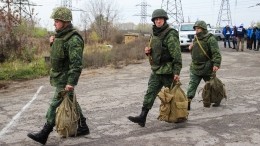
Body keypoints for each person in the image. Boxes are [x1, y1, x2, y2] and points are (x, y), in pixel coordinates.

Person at [27, 7, 89, 145]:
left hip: (65, 79)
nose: (54, 23)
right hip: (60, 77)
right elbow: (59, 56)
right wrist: (52, 43)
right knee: (71, 100)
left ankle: (44, 133)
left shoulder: (74, 40)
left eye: (57, 21)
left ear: (65, 22)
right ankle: (83, 126)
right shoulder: (60, 37)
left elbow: (76, 64)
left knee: (54, 106)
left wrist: (71, 82)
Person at [127, 9, 182, 127]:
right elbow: (156, 49)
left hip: (168, 71)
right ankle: (142, 117)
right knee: (150, 92)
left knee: (175, 94)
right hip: (157, 70)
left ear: (164, 20)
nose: (158, 21)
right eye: (156, 19)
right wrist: (148, 51)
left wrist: (176, 71)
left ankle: (182, 113)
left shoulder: (170, 34)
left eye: (160, 19)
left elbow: (177, 55)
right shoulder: (154, 33)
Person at [187, 20, 222, 110]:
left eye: (198, 28)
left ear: (204, 29)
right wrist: (191, 48)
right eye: (195, 28)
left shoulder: (210, 39)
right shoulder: (196, 38)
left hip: (207, 67)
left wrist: (216, 64)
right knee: (192, 86)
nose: (197, 30)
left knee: (212, 86)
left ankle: (217, 100)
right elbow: (196, 52)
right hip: (195, 67)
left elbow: (216, 53)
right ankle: (188, 103)